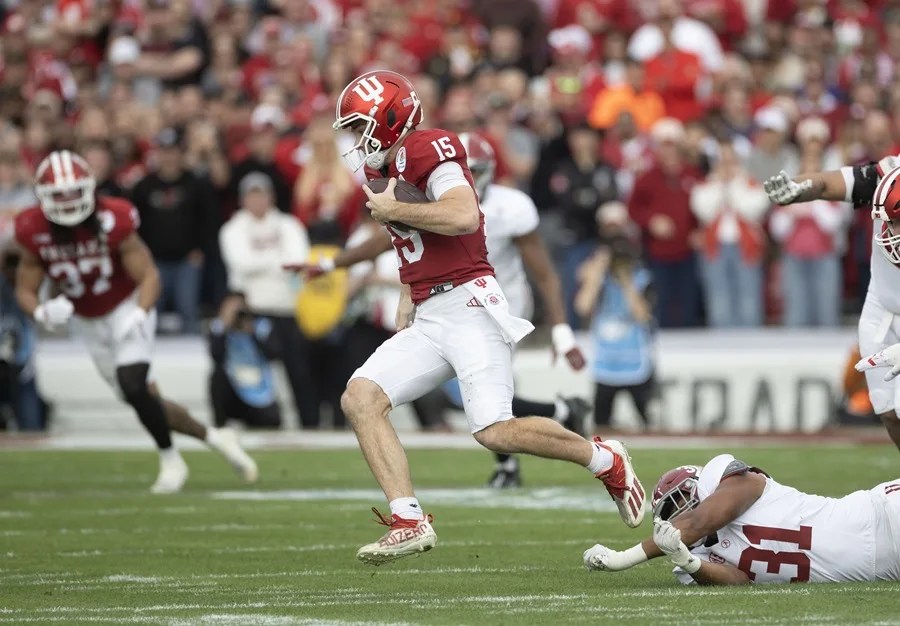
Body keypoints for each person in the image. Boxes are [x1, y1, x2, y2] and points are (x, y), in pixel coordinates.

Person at [305, 70, 645, 565]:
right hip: (431, 312)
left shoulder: (428, 146)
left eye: (360, 127)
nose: (355, 140)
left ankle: (604, 459)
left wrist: (397, 211)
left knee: (493, 430)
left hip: (469, 306)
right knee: (361, 398)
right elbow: (417, 239)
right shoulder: (387, 170)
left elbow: (462, 214)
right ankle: (408, 519)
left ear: (390, 118)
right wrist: (409, 288)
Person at [14, 149, 258, 493]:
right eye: (59, 196)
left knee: (132, 382)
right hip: (87, 320)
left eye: (73, 193)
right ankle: (216, 438)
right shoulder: (31, 228)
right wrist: (40, 311)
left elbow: (149, 276)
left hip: (126, 306)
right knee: (143, 398)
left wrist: (140, 312)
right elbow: (25, 288)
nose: (68, 203)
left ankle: (171, 460)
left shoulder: (114, 217)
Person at [449, 132, 592, 488]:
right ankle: (563, 411)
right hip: (461, 304)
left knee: (483, 388)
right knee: (474, 391)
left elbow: (545, 274)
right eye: (459, 170)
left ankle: (508, 467)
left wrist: (562, 331)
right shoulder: (434, 203)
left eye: (473, 170)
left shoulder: (509, 207)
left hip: (505, 304)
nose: (467, 179)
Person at [583, 453, 900, 584]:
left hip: (881, 515)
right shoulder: (696, 556)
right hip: (881, 571)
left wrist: (623, 558)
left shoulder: (727, 478)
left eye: (679, 504)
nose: (676, 518)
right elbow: (740, 581)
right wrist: (691, 563)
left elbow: (698, 522)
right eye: (670, 514)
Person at [763, 156, 900, 451]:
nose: (896, 232)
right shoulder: (886, 174)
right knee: (889, 411)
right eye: (894, 222)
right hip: (883, 304)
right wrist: (798, 188)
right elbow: (827, 183)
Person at [219, 173, 316, 427]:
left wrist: (261, 264)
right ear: (243, 200)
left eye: (261, 194)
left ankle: (310, 424)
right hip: (252, 311)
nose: (257, 200)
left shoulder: (289, 225)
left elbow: (299, 260)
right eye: (252, 195)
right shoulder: (232, 228)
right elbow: (241, 262)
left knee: (299, 373)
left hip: (287, 308)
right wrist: (278, 261)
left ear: (270, 197)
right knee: (252, 371)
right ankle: (263, 421)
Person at [575, 204, 657, 431]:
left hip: (636, 361)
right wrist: (598, 271)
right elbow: (583, 306)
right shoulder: (596, 271)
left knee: (648, 423)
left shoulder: (641, 276)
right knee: (601, 425)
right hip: (606, 362)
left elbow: (643, 315)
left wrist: (627, 280)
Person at [690, 139, 769, 328]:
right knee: (719, 298)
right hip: (716, 247)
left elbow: (753, 210)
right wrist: (720, 187)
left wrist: (732, 187)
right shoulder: (706, 185)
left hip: (745, 247)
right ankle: (721, 338)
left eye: (730, 161)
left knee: (749, 297)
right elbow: (704, 211)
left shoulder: (750, 183)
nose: (726, 166)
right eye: (722, 161)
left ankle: (750, 337)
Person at [207, 294, 282, 430]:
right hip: (232, 386)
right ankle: (220, 425)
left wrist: (251, 332)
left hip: (258, 388)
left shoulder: (261, 326)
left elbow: (273, 355)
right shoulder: (218, 327)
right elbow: (216, 357)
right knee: (217, 376)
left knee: (271, 422)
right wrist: (226, 326)